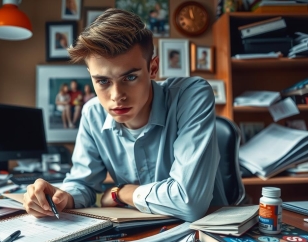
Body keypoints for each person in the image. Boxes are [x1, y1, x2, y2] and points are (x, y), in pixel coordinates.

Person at [23, 8, 227, 222]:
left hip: (208, 232)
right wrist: (61, 197)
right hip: (137, 233)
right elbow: (83, 184)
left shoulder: (191, 94)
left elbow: (189, 202)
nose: (116, 96)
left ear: (153, 68)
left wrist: (122, 193)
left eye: (130, 78)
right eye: (102, 81)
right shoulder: (92, 113)